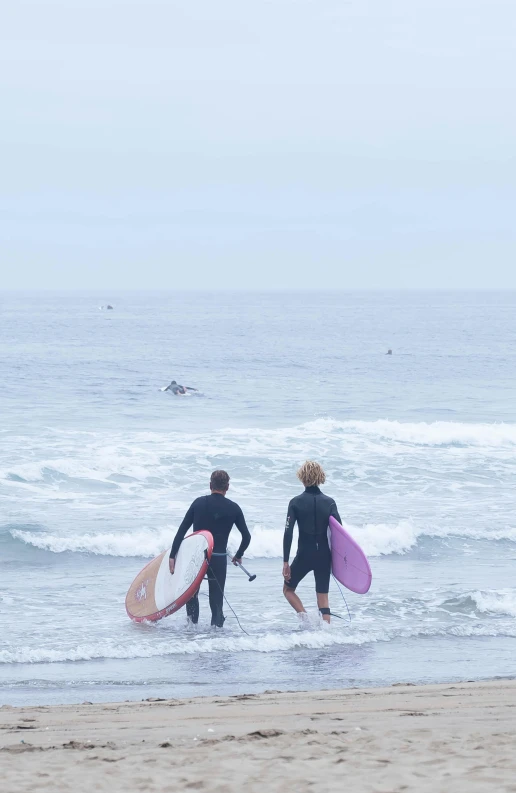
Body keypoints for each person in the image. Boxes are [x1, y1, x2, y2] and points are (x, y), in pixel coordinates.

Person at [169, 470, 251, 627]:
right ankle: (216, 640)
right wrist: (239, 555)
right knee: (216, 600)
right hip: (218, 558)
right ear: (227, 487)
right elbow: (247, 537)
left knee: (191, 596)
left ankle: (192, 630)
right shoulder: (234, 508)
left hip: (197, 558)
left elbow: (181, 531)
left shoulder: (198, 503)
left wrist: (173, 555)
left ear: (210, 485)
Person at [282, 461, 341, 624]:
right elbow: (339, 534)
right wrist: (340, 561)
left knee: (288, 589)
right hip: (324, 555)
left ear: (302, 477)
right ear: (320, 477)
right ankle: (327, 635)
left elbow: (288, 532)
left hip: (304, 555)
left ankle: (306, 619)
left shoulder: (295, 502)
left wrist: (286, 561)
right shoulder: (329, 502)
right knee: (323, 598)